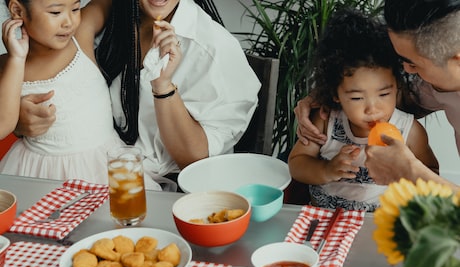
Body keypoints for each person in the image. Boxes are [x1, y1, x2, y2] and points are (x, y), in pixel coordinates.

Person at [14, 0, 261, 189]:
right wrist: (20, 115)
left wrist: (163, 86)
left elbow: (194, 159)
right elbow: (64, 78)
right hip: (95, 171)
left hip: (172, 190)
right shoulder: (106, 17)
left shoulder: (212, 50)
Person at [294, 0, 460, 192]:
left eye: (414, 64)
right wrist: (325, 94)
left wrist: (410, 171)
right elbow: (389, 96)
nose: (406, 71)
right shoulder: (433, 85)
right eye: (402, 61)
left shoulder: (414, 131)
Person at [0, 0, 148, 188]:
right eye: (55, 12)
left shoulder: (80, 36)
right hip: (38, 172)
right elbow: (3, 126)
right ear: (17, 10)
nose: (69, 22)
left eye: (75, 9)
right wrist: (17, 58)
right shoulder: (7, 66)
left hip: (103, 165)